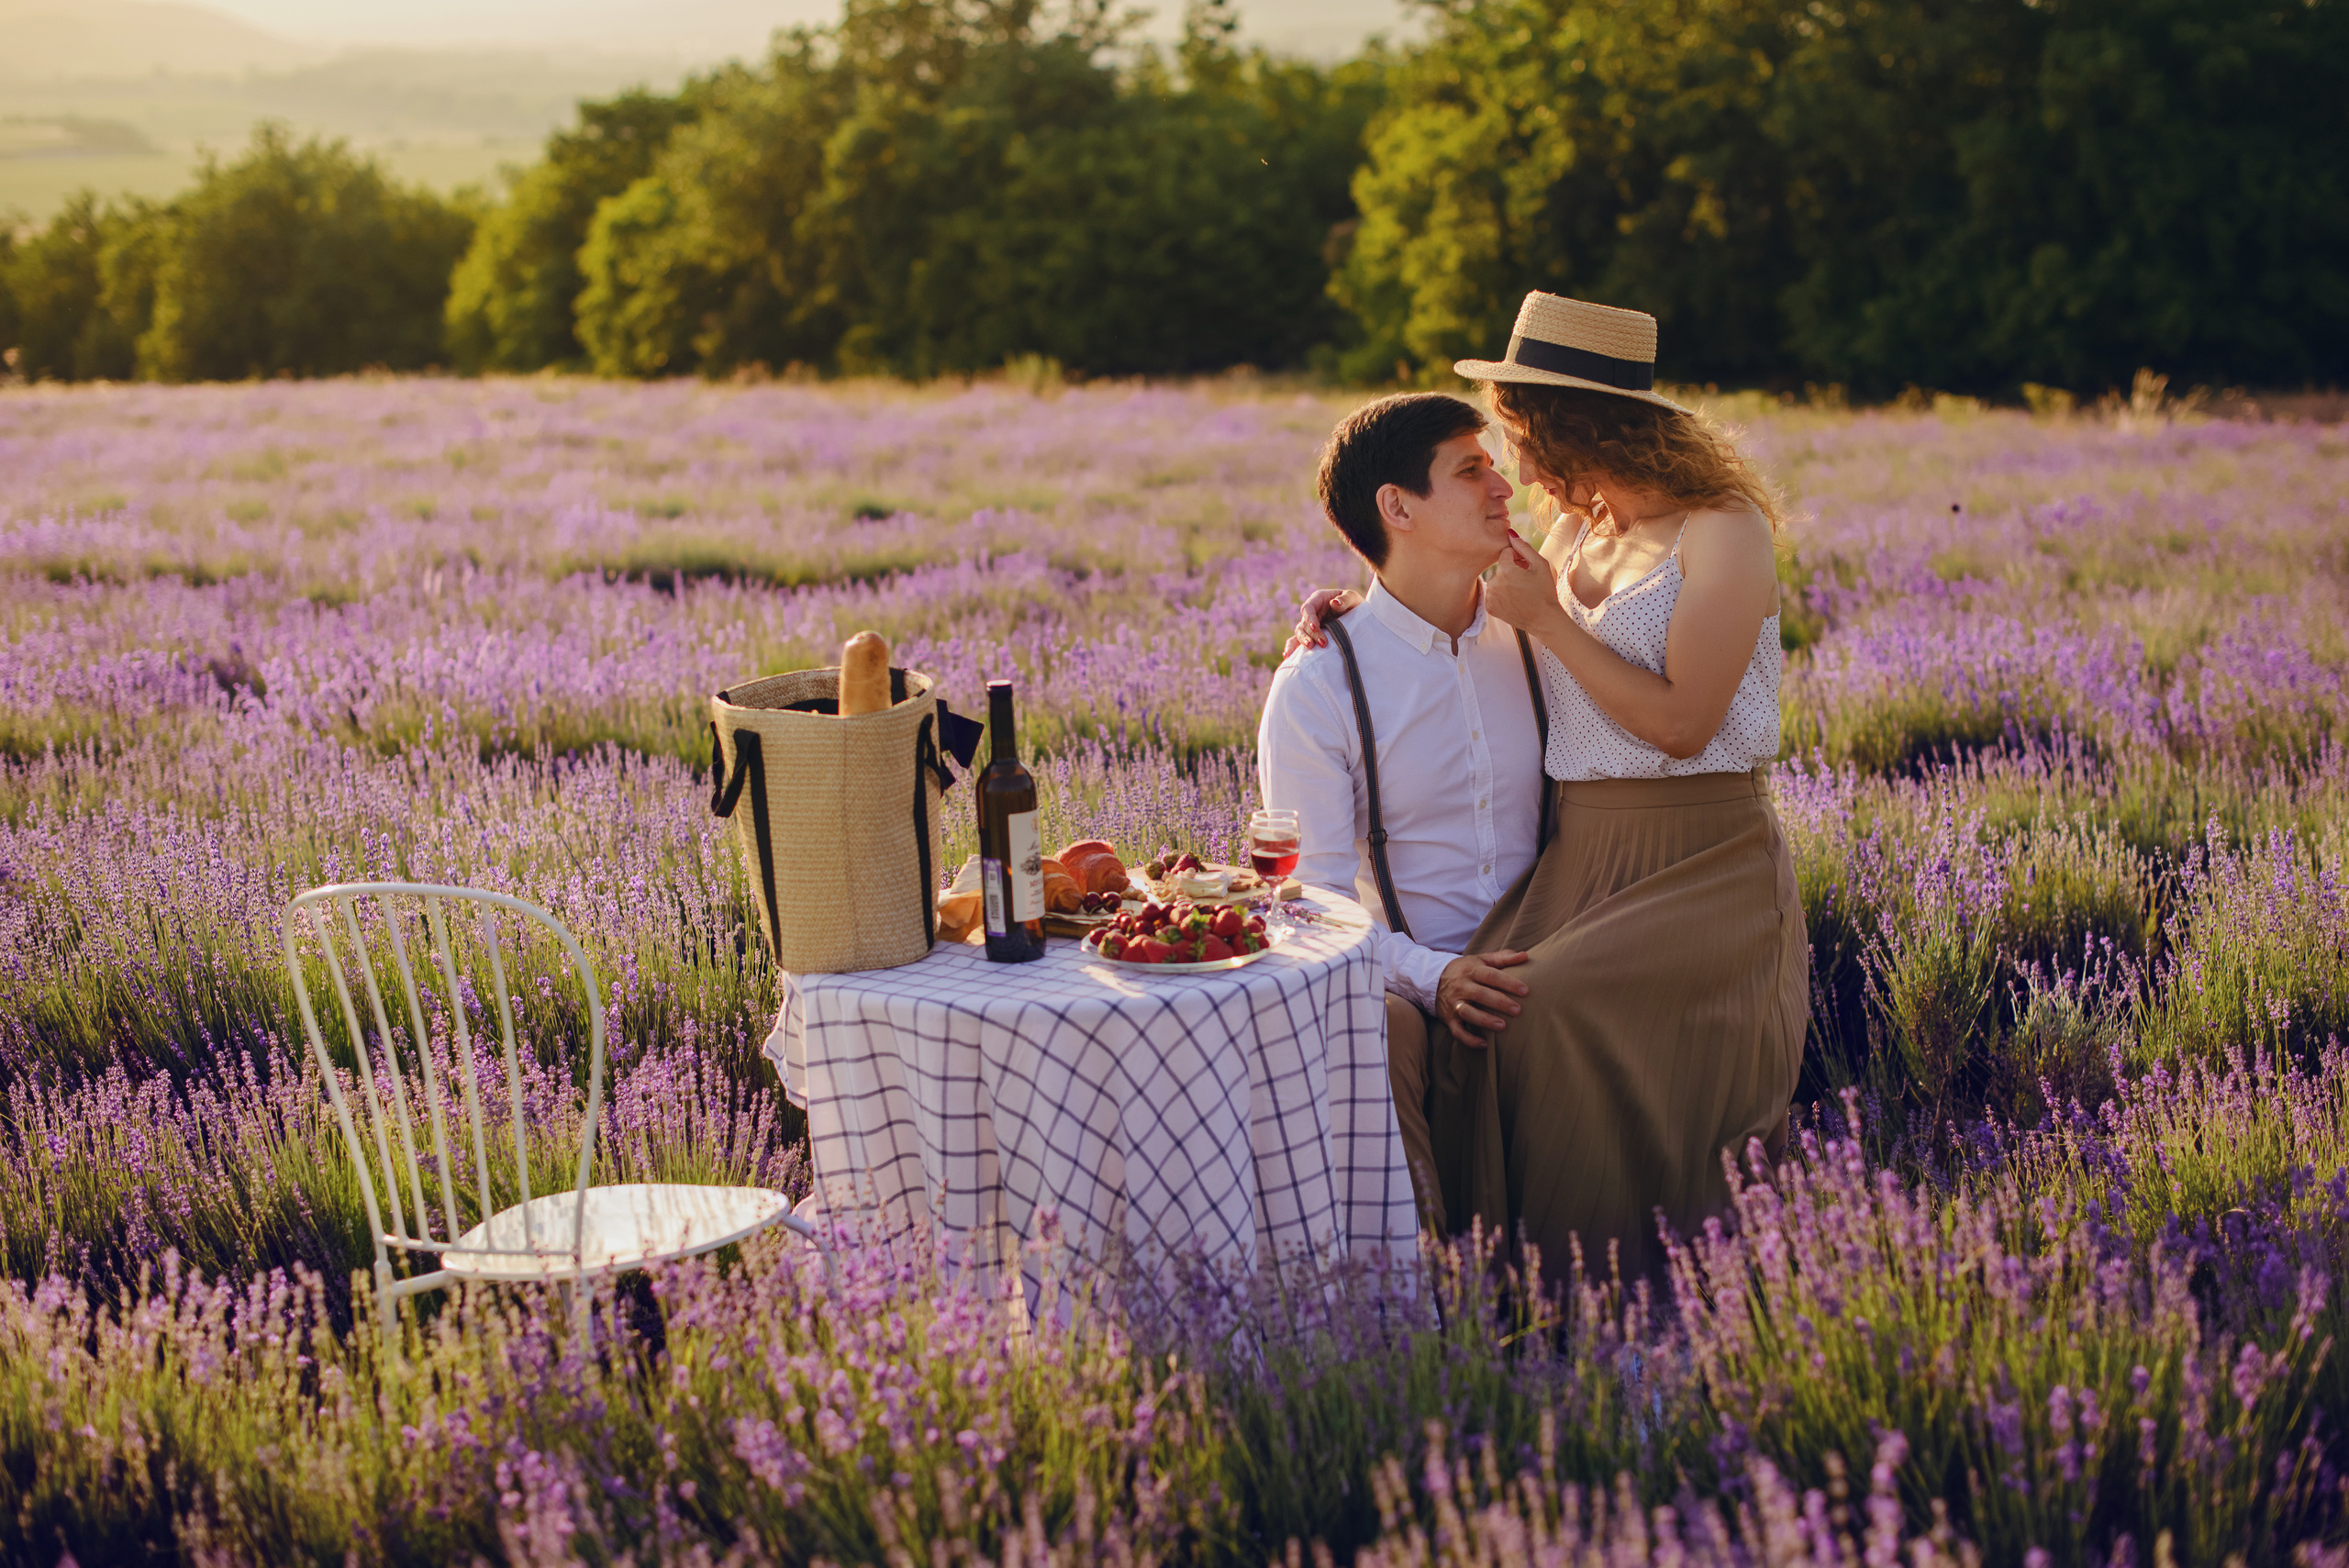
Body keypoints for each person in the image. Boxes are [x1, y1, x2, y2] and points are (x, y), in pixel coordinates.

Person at [1291, 292, 1807, 1281]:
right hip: (1581, 857)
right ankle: (1485, 1286)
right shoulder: (1572, 530)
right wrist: (1350, 617)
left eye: (1522, 441)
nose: (1517, 471)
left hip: (1703, 858)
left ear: (1581, 425)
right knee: (1480, 1019)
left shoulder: (1722, 527)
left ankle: (1609, 1286)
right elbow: (1445, 595)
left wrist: (1554, 624)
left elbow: (1683, 723)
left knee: (1542, 1009)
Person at [1256, 392, 1553, 1236]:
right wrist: (1434, 975)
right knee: (1374, 1031)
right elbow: (1310, 905)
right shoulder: (1320, 683)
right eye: (1471, 470)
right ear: (1397, 506)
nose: (1503, 486)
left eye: (1494, 465)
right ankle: (1418, 1287)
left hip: (1547, 953)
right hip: (1401, 971)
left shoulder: (1540, 633)